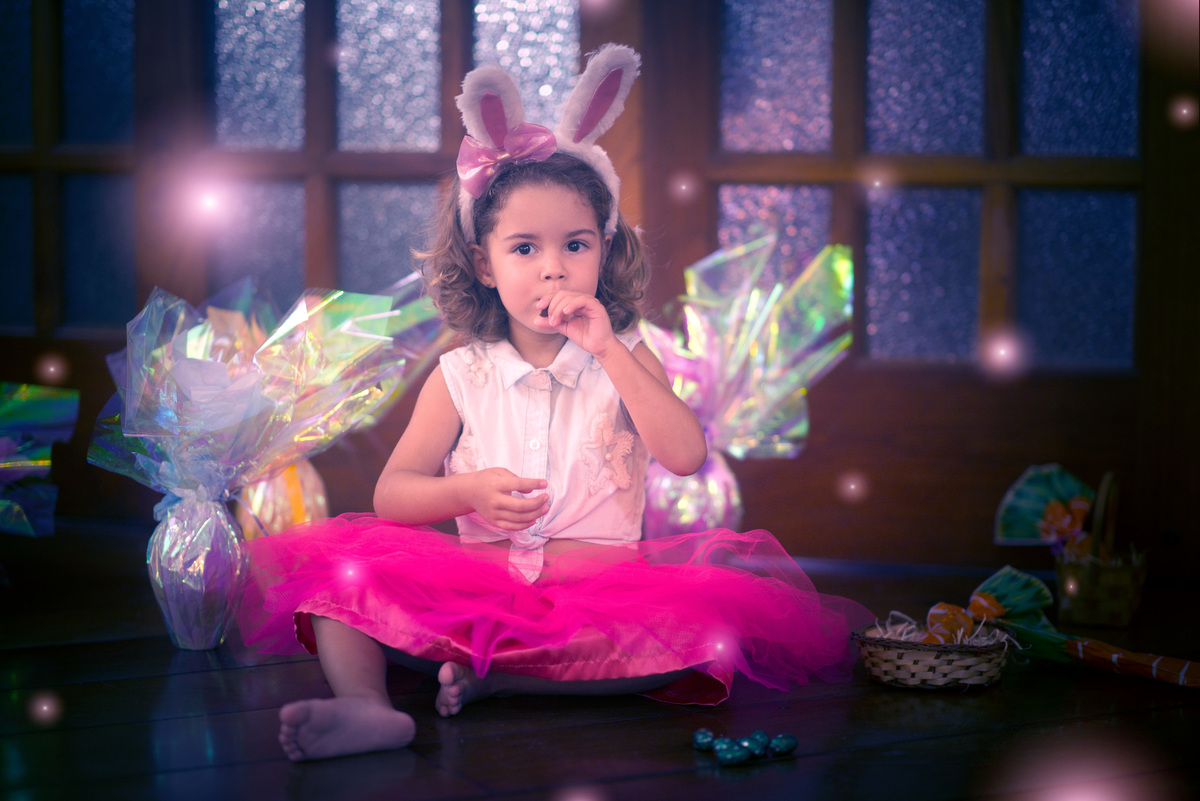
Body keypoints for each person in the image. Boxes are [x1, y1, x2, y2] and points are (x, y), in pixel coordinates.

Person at [236, 44, 874, 762]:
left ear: (604, 249)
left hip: (601, 597)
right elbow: (392, 495)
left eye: (575, 245)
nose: (553, 268)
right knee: (342, 587)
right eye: (524, 249)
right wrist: (467, 491)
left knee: (703, 640)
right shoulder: (461, 373)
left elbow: (686, 455)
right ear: (483, 263)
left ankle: (498, 679)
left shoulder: (625, 356)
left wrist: (609, 351)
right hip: (475, 589)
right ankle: (366, 706)